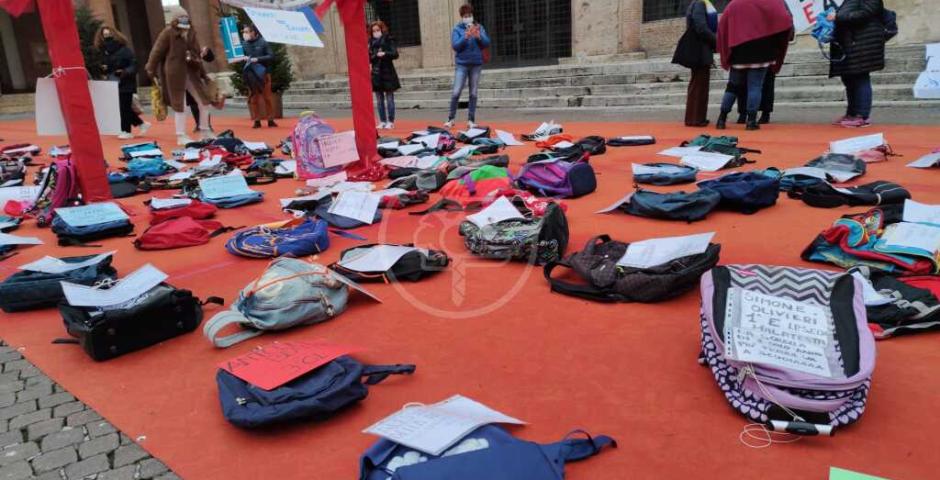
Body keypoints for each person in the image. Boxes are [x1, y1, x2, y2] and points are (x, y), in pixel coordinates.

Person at [716, 0, 793, 130]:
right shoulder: (772, 2)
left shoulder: (735, 3)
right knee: (755, 86)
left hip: (738, 50)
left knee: (732, 87)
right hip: (762, 50)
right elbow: (786, 19)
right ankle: (751, 121)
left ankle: (721, 119)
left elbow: (723, 25)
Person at [145, 6, 214, 145]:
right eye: (181, 17)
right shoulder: (168, 32)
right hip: (175, 73)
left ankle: (205, 130)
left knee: (204, 102)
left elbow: (196, 51)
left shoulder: (191, 31)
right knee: (180, 104)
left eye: (186, 17)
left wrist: (201, 56)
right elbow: (156, 51)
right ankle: (181, 135)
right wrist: (150, 69)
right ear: (175, 19)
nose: (184, 19)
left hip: (192, 71)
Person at [829, 0, 886, 128]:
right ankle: (852, 113)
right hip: (851, 42)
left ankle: (862, 115)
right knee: (849, 78)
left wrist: (838, 16)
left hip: (863, 42)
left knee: (860, 77)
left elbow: (864, 14)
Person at [95, 26, 150, 139]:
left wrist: (124, 72)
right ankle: (141, 124)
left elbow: (134, 64)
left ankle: (126, 131)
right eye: (104, 35)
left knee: (123, 107)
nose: (107, 38)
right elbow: (104, 65)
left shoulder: (124, 49)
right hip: (112, 81)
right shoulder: (103, 51)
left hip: (125, 81)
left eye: (108, 35)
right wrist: (103, 68)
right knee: (121, 107)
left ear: (114, 35)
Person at [673, 0, 718, 127]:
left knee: (700, 84)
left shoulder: (699, 4)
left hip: (701, 49)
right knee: (699, 85)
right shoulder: (699, 4)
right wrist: (717, 41)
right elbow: (701, 28)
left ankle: (696, 117)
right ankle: (695, 119)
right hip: (700, 50)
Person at [445, 4, 490, 129]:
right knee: (456, 92)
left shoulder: (479, 27)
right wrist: (465, 36)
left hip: (476, 64)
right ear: (462, 17)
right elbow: (455, 46)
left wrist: (478, 36)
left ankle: (471, 119)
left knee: (473, 93)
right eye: (465, 16)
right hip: (462, 64)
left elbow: (487, 42)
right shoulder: (457, 29)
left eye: (469, 15)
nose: (468, 18)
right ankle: (451, 118)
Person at [240, 25, 276, 129]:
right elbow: (238, 56)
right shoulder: (244, 44)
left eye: (247, 32)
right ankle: (257, 121)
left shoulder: (263, 42)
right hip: (250, 74)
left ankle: (270, 120)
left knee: (267, 97)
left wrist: (257, 59)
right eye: (244, 32)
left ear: (253, 32)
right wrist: (243, 58)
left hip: (264, 73)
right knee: (253, 98)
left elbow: (271, 56)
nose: (245, 34)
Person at [369, 21, 401, 130]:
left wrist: (385, 53)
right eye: (374, 31)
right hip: (376, 73)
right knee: (379, 99)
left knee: (389, 98)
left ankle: (390, 121)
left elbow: (395, 54)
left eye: (378, 30)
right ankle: (382, 121)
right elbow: (368, 58)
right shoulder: (370, 42)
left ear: (382, 30)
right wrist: (375, 55)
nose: (376, 33)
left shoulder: (388, 39)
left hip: (388, 72)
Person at [188, 47, 217, 133]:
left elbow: (201, 72)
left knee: (203, 104)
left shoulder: (197, 57)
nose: (203, 48)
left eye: (205, 49)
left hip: (196, 83)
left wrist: (207, 80)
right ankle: (198, 124)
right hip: (188, 82)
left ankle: (207, 125)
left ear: (205, 54)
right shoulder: (193, 52)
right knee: (193, 105)